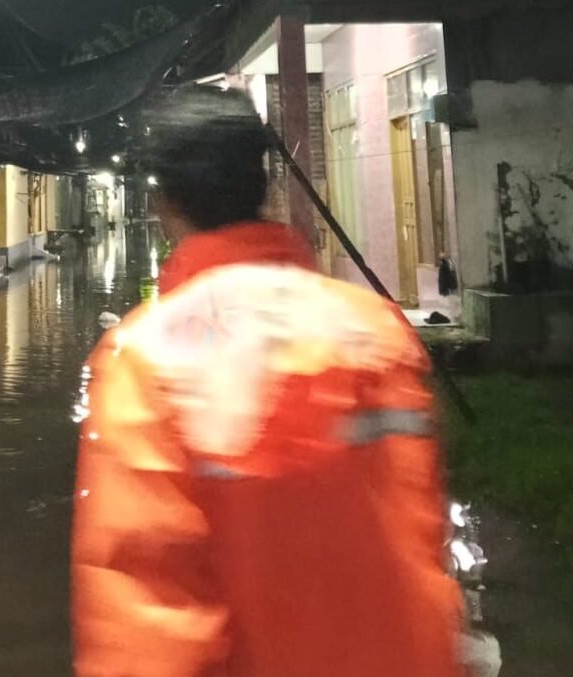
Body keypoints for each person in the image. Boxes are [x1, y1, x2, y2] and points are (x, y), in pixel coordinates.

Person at [71, 86, 463, 677]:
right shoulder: (374, 330)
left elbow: (148, 621)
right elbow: (423, 538)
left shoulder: (146, 359)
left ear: (164, 203)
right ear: (266, 186)